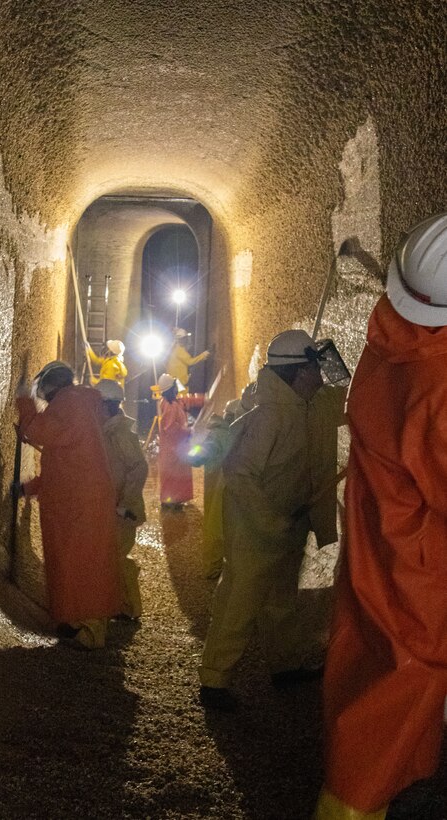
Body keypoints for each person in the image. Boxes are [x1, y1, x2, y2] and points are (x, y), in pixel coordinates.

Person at [314, 213, 447, 820]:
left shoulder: (383, 349)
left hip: (380, 548)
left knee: (369, 672)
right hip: (423, 570)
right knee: (401, 691)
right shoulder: (437, 385)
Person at [198, 330, 347, 711]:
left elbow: (354, 397)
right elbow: (240, 475)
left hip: (288, 522)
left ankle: (286, 666)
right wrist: (270, 521)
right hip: (255, 527)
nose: (321, 374)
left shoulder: (310, 405)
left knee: (281, 598)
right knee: (239, 600)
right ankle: (214, 681)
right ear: (300, 372)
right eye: (316, 366)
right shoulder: (269, 417)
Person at [16, 361, 121, 649]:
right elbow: (62, 460)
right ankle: (80, 623)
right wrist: (28, 489)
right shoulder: (85, 403)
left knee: (78, 564)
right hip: (83, 498)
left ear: (51, 385)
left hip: (76, 503)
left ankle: (87, 629)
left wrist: (24, 402)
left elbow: (41, 432)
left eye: (42, 389)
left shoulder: (68, 403)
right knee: (88, 561)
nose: (43, 396)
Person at [95, 378, 148, 620]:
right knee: (112, 557)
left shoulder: (121, 433)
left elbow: (138, 468)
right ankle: (124, 607)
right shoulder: (109, 429)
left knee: (115, 558)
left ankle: (129, 608)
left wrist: (125, 504)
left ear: (107, 405)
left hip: (123, 510)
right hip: (115, 506)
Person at [187, 399, 237, 579]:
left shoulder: (223, 433)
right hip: (222, 488)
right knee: (219, 527)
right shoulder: (223, 434)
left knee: (216, 526)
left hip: (220, 488)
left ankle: (215, 566)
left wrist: (193, 454)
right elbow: (206, 450)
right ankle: (214, 567)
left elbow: (200, 453)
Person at [157, 372, 193, 509]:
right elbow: (171, 427)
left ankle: (175, 500)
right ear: (171, 389)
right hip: (173, 448)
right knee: (173, 477)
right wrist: (188, 432)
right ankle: (171, 502)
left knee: (175, 476)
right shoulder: (169, 405)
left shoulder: (172, 403)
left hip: (175, 448)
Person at [166, 328, 210, 394]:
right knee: (184, 399)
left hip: (176, 382)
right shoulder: (179, 350)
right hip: (180, 382)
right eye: (184, 339)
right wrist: (203, 355)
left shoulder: (174, 348)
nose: (185, 341)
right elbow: (190, 362)